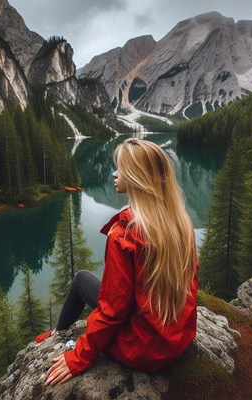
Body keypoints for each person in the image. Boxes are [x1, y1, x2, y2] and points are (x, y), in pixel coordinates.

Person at [37, 138, 198, 386]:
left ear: (135, 176)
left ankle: (59, 333)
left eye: (120, 168)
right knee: (86, 280)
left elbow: (113, 310)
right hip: (176, 340)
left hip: (141, 351)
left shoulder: (124, 233)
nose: (114, 173)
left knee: (81, 279)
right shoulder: (180, 222)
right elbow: (191, 284)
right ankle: (59, 331)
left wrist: (78, 356)